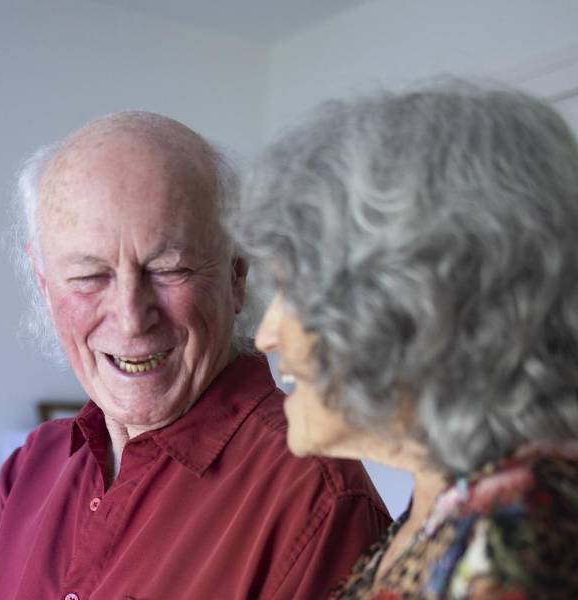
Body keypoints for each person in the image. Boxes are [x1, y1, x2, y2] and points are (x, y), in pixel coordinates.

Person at [0, 112, 390, 599]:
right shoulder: (30, 469)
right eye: (88, 277)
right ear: (44, 285)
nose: (131, 317)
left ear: (236, 275)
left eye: (169, 269)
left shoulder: (315, 496)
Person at [229, 80, 578, 598]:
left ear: (415, 304)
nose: (265, 334)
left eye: (292, 290)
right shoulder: (442, 504)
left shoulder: (528, 529)